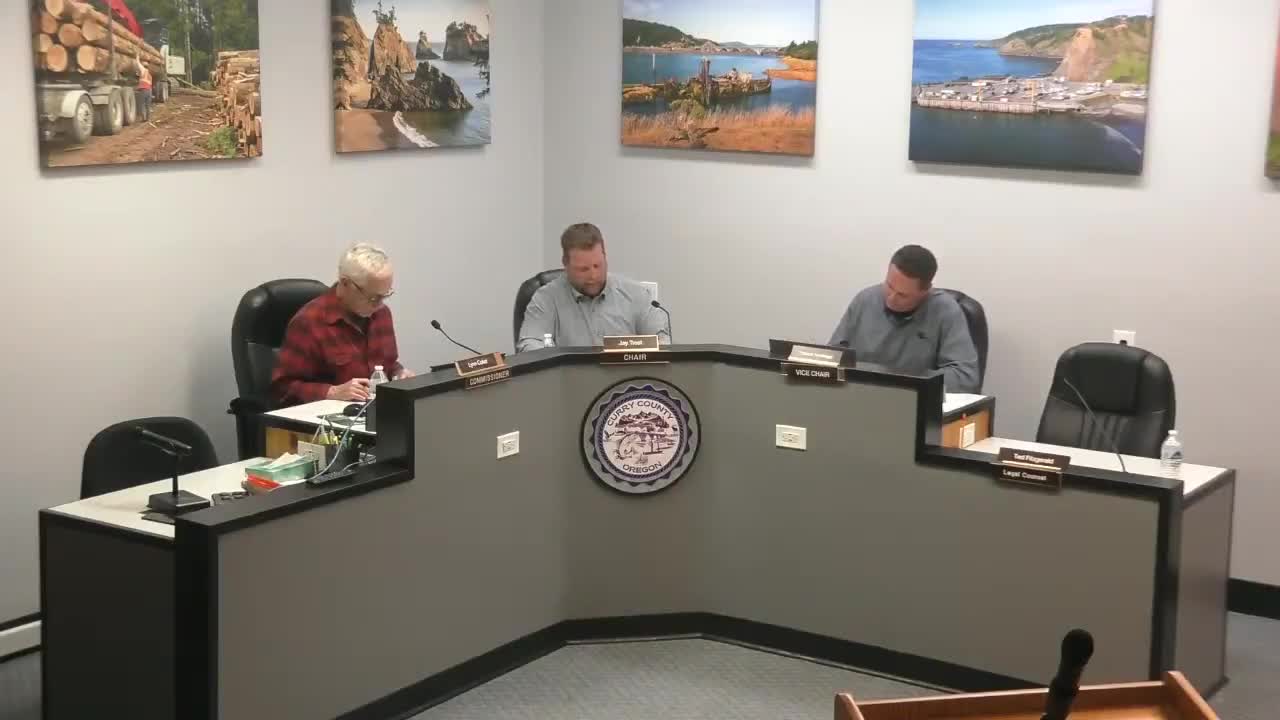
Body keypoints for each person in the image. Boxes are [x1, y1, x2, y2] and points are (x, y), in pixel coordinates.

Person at [271, 243, 415, 406]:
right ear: (345, 283)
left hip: (374, 411)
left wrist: (398, 373)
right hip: (328, 418)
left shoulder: (382, 314)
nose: (379, 304)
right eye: (373, 298)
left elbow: (387, 364)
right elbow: (281, 388)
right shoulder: (309, 321)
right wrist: (332, 392)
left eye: (385, 295)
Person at [828, 245, 979, 393]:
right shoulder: (865, 300)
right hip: (860, 394)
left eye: (902, 295)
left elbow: (965, 377)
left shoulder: (946, 311)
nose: (891, 298)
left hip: (914, 398)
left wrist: (905, 381)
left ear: (925, 291)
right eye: (889, 286)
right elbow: (830, 359)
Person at [517, 223, 669, 352]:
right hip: (569, 377)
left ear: (605, 257)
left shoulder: (636, 294)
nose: (593, 275)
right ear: (565, 264)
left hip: (625, 378)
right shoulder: (546, 298)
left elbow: (662, 343)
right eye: (583, 269)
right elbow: (529, 345)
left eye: (598, 265)